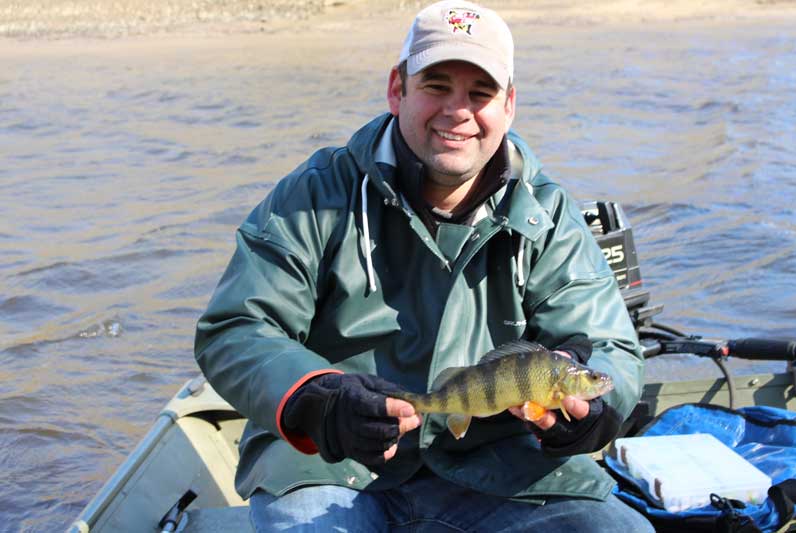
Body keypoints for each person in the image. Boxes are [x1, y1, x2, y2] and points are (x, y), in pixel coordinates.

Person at [195, 1, 653, 531]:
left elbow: (610, 346)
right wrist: (316, 398)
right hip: (328, 463)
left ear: (508, 106)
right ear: (398, 88)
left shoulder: (546, 213)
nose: (457, 111)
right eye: (437, 85)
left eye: (480, 93)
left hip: (497, 468)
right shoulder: (314, 194)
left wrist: (596, 413)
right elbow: (235, 328)